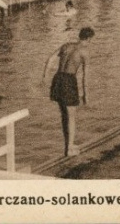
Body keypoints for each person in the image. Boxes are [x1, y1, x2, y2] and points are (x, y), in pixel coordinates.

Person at [42, 27, 95, 156]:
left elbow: (50, 60)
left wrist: (44, 77)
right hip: (68, 80)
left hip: (57, 78)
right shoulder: (84, 52)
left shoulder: (66, 45)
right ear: (89, 39)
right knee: (71, 116)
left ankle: (67, 145)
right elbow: (85, 76)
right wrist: (86, 95)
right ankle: (70, 148)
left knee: (64, 115)